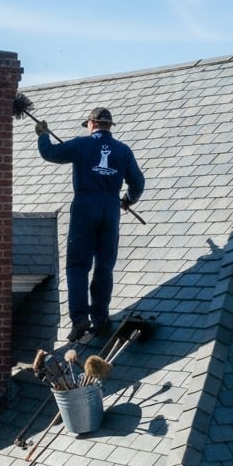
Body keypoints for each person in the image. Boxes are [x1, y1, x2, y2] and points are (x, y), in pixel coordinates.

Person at [36, 106, 145, 341]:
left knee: (77, 266)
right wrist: (127, 201)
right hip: (110, 209)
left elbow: (50, 154)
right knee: (104, 265)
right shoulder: (123, 151)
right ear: (109, 126)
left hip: (85, 206)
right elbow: (138, 182)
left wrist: (43, 135)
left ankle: (79, 320)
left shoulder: (81, 145)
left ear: (91, 124)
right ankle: (101, 318)